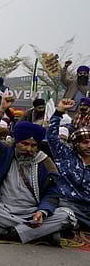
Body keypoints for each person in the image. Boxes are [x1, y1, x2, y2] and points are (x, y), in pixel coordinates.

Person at [0, 93, 75, 246]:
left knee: (68, 216)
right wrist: (1, 109)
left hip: (33, 212)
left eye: (33, 146)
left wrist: (42, 211)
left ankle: (10, 232)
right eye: (25, 144)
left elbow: (52, 193)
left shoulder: (45, 162)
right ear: (16, 141)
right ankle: (39, 233)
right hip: (4, 209)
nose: (29, 149)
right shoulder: (5, 153)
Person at [48, 98, 90, 229]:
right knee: (62, 210)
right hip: (67, 203)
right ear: (76, 144)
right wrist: (59, 111)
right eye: (85, 142)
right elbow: (52, 137)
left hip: (88, 206)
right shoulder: (65, 154)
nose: (89, 146)